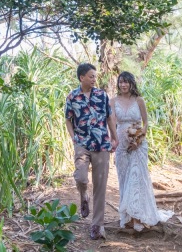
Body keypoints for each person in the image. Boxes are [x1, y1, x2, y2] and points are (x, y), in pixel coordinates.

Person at [113, 71, 173, 232]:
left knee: (137, 178)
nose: (123, 85)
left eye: (126, 82)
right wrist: (114, 141)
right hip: (121, 145)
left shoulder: (139, 100)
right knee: (124, 179)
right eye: (121, 82)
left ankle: (138, 216)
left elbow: (146, 122)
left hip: (138, 144)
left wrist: (138, 139)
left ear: (132, 83)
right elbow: (112, 124)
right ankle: (127, 216)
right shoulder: (113, 101)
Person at [65, 63, 119, 240]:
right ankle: (83, 195)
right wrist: (73, 137)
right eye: (91, 76)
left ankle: (97, 225)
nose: (94, 79)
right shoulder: (72, 96)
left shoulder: (102, 95)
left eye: (95, 76)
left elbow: (110, 117)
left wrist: (114, 137)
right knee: (80, 177)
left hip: (102, 143)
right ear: (82, 78)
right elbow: (68, 119)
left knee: (101, 185)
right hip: (82, 143)